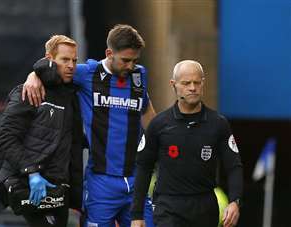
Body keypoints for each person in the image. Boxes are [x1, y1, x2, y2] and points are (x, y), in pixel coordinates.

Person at [22, 24, 156, 227]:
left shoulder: (139, 76)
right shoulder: (86, 74)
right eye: (126, 60)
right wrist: (33, 76)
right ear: (109, 53)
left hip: (136, 180)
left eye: (135, 61)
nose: (131, 66)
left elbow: (147, 112)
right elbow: (51, 68)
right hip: (101, 183)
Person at [0, 35, 84, 227]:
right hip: (34, 186)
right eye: (65, 59)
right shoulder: (29, 91)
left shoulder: (70, 95)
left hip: (60, 189)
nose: (71, 65)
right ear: (49, 59)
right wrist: (32, 173)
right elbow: (6, 138)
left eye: (74, 60)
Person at [130, 60, 243, 227]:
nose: (192, 87)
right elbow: (143, 167)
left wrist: (235, 201)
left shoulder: (218, 124)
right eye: (186, 83)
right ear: (173, 84)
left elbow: (234, 165)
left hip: (204, 207)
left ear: (203, 83)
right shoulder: (159, 124)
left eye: (197, 82)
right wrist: (137, 214)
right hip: (168, 207)